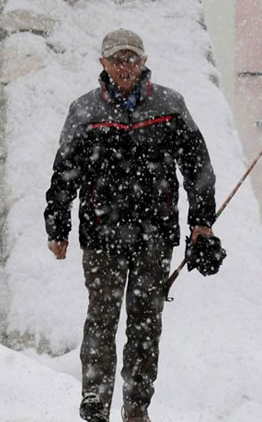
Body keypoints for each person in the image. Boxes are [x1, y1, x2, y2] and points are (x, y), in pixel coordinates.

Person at [44, 29, 217, 422]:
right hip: (101, 233)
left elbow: (197, 168)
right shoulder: (84, 110)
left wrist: (202, 222)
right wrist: (58, 227)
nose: (125, 66)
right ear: (102, 63)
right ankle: (95, 400)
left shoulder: (170, 105)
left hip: (155, 236)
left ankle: (137, 406)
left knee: (145, 321)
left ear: (143, 62)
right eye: (117, 59)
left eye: (132, 58)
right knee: (102, 317)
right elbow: (64, 173)